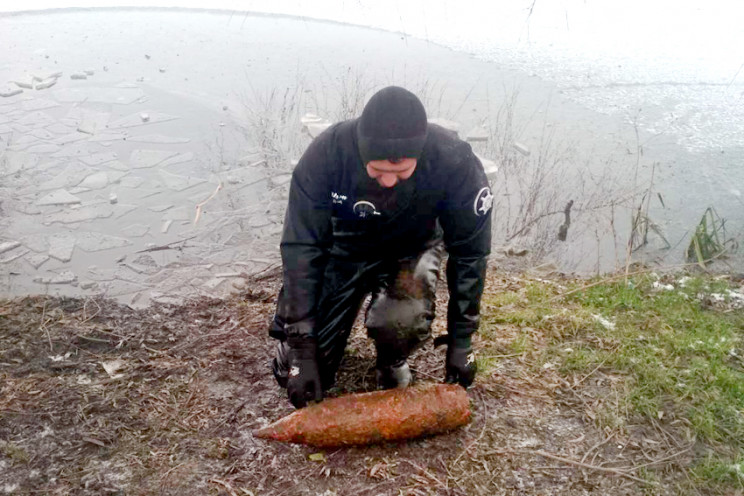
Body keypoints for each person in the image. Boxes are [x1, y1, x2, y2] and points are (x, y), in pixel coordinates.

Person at [268, 86, 493, 408]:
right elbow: (302, 247)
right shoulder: (327, 154)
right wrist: (301, 350)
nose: (388, 181)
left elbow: (470, 253)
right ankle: (306, 349)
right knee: (296, 368)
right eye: (378, 170)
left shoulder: (454, 160)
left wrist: (462, 340)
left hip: (411, 249)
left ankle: (392, 359)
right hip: (343, 247)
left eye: (400, 172)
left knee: (401, 319)